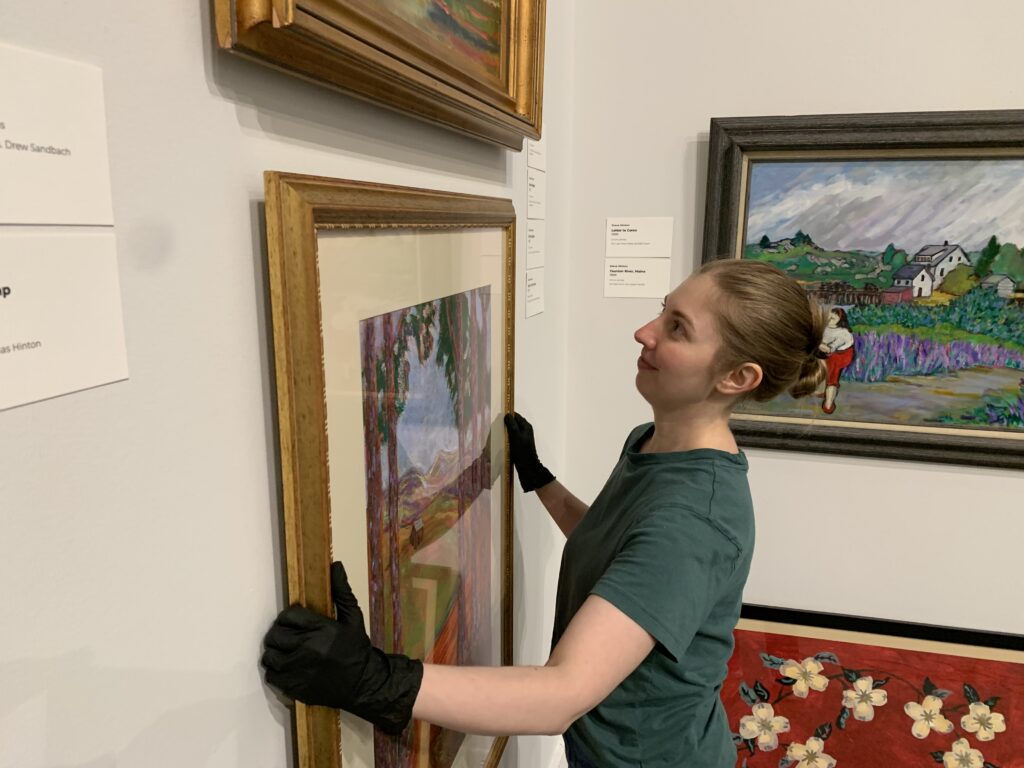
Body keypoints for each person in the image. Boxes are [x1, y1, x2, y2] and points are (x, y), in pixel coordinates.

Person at [261, 259, 828, 767]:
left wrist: (372, 680)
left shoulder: (696, 521)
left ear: (737, 377)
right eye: (662, 311)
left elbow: (561, 695)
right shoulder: (654, 442)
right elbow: (621, 559)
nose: (645, 332)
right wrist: (540, 480)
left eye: (677, 327)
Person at [818, 306, 855, 414]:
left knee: (831, 372)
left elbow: (829, 349)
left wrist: (816, 342)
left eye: (832, 318)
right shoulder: (825, 328)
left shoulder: (843, 333)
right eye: (827, 317)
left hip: (842, 355)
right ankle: (822, 388)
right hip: (827, 352)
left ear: (840, 320)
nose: (828, 320)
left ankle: (829, 403)